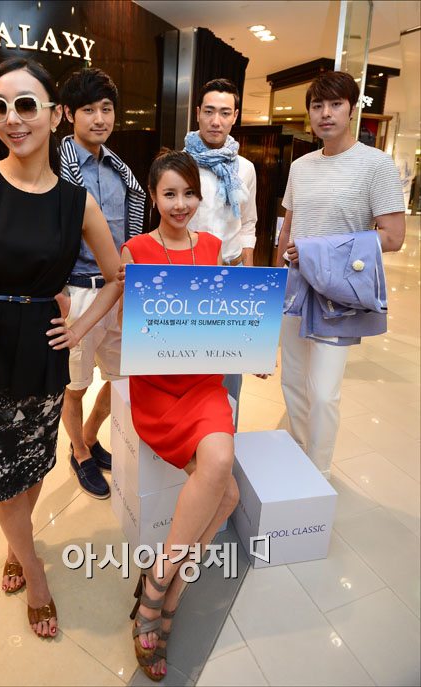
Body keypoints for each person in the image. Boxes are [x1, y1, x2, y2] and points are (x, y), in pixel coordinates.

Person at [0, 57, 122, 638]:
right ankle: (33, 568)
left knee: (31, 464)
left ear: (56, 115)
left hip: (41, 351)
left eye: (27, 105)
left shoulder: (76, 202)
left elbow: (117, 277)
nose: (13, 119)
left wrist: (79, 329)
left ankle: (17, 545)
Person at [121, 149, 238, 681]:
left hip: (203, 383)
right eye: (170, 193)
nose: (181, 203)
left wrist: (251, 346)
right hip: (156, 387)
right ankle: (165, 598)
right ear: (153, 196)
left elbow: (225, 315)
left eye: (190, 193)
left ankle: (159, 589)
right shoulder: (136, 250)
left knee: (222, 474)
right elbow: (131, 328)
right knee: (226, 494)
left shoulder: (211, 246)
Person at [276, 70, 405, 478]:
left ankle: (318, 472)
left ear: (352, 109)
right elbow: (288, 227)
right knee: (292, 380)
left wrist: (320, 251)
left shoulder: (376, 165)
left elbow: (393, 236)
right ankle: (296, 452)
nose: (326, 113)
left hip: (338, 290)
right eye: (317, 106)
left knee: (323, 391)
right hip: (296, 285)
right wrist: (278, 278)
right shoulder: (301, 166)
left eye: (335, 104)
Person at [59, 68, 145, 498]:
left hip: (119, 289)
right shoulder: (56, 167)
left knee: (120, 377)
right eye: (88, 110)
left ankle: (90, 437)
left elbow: (130, 232)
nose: (99, 119)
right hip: (76, 290)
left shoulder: (120, 170)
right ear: (68, 114)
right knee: (73, 384)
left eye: (106, 109)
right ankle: (79, 452)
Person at [185, 78, 258, 422]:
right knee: (187, 364)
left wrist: (248, 278)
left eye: (225, 113)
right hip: (187, 275)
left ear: (235, 116)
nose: (216, 121)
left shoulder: (245, 169)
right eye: (210, 111)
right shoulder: (179, 163)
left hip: (231, 274)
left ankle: (226, 437)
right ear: (198, 113)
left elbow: (248, 223)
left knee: (229, 368)